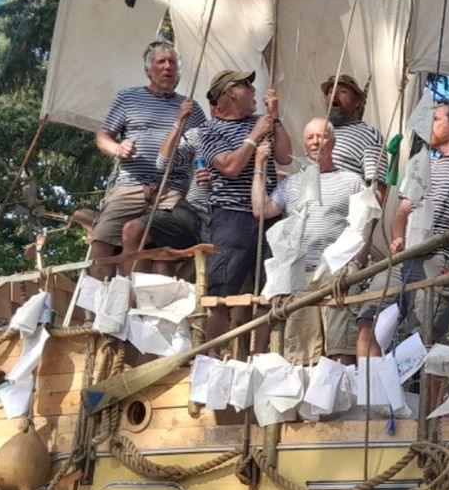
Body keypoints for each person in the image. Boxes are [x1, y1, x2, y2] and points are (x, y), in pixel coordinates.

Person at [355, 99, 449, 357]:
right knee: (368, 320)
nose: (429, 125)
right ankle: (370, 394)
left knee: (420, 338)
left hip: (439, 259)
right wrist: (397, 237)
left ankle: (417, 397)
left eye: (436, 119)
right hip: (403, 257)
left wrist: (441, 240)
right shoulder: (420, 163)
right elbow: (402, 212)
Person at [90, 40, 207, 278]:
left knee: (160, 250)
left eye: (172, 62)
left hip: (171, 190)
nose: (167, 67)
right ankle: (98, 310)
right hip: (130, 185)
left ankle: (141, 304)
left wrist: (202, 173)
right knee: (101, 239)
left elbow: (202, 150)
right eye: (160, 61)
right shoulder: (128, 98)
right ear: (147, 70)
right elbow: (103, 136)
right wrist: (117, 148)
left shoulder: (191, 109)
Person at [252, 119, 364, 366]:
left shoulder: (352, 182)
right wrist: (259, 165)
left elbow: (362, 227)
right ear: (304, 143)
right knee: (302, 349)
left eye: (321, 136)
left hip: (336, 271)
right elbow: (261, 210)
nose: (315, 142)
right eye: (310, 137)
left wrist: (355, 264)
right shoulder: (291, 183)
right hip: (299, 272)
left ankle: (337, 400)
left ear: (332, 142)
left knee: (340, 343)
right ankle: (306, 403)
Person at [200, 70, 292, 350]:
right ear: (229, 92)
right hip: (231, 218)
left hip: (269, 214)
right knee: (221, 291)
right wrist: (254, 137)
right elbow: (229, 167)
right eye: (246, 85)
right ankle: (211, 354)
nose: (254, 90)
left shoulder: (264, 122)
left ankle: (258, 355)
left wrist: (274, 119)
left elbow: (286, 156)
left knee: (268, 288)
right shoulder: (209, 130)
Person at [119, 98, 212, 275]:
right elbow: (163, 163)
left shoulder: (252, 131)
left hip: (216, 213)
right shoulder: (198, 134)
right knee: (128, 231)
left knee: (163, 255)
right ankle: (131, 296)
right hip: (187, 209)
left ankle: (156, 297)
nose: (167, 68)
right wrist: (179, 122)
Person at [322, 73, 387, 203]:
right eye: (330, 91)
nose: (334, 95)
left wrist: (365, 222)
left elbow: (377, 189)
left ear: (357, 102)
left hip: (342, 218)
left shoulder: (369, 134)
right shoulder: (318, 132)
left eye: (342, 91)